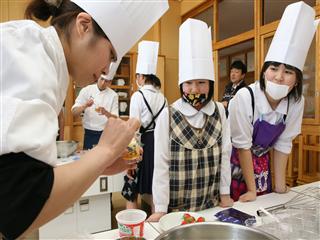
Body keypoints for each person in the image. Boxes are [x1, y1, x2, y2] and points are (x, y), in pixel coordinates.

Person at [0, 0, 169, 238]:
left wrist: (98, 163)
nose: (107, 70)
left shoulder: (45, 56)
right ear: (83, 26)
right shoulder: (30, 55)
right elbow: (18, 206)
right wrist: (104, 152)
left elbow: (32, 181)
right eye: (110, 55)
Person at [228, 1, 319, 202]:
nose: (279, 77)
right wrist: (251, 190)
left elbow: (283, 144)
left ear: (296, 81)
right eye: (273, 69)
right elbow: (242, 146)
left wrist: (279, 185)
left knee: (267, 204)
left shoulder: (296, 102)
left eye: (288, 72)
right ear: (263, 72)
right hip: (233, 161)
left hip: (262, 163)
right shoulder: (245, 97)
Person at [148, 19, 233, 222]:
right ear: (181, 84)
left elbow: (225, 155)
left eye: (201, 83)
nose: (194, 90)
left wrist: (224, 192)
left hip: (211, 206)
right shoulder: (168, 115)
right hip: (177, 211)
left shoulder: (220, 110)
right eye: (188, 83)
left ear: (211, 83)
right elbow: (161, 164)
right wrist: (160, 207)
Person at [121, 41, 167, 212]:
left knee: (132, 188)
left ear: (141, 77)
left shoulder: (137, 96)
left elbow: (133, 129)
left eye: (137, 76)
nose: (136, 79)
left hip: (143, 144)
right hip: (160, 145)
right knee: (158, 187)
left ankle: (132, 227)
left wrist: (130, 161)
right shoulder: (163, 98)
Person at [71, 73, 119, 150]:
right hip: (89, 134)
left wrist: (106, 113)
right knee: (89, 159)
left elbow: (115, 118)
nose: (103, 83)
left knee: (105, 160)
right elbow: (74, 112)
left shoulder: (113, 95)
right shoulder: (86, 90)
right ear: (98, 78)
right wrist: (85, 105)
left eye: (106, 81)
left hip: (106, 134)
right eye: (102, 79)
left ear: (110, 82)